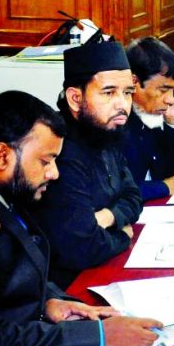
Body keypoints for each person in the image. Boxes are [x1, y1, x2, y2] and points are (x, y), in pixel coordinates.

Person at [0, 91, 162, 346]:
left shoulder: (12, 192)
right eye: (45, 161)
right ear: (2, 156)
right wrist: (100, 336)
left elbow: (19, 279)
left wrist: (50, 301)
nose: (54, 173)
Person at [31, 41, 142, 288]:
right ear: (75, 98)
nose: (122, 104)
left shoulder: (106, 129)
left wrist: (108, 216)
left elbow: (134, 197)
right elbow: (83, 247)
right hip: (66, 288)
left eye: (127, 93)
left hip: (103, 268)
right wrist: (122, 233)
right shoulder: (61, 150)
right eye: (109, 92)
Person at [124, 37, 174, 202]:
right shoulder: (114, 120)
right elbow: (116, 190)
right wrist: (164, 187)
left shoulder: (155, 113)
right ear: (134, 82)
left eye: (173, 90)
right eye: (163, 90)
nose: (170, 100)